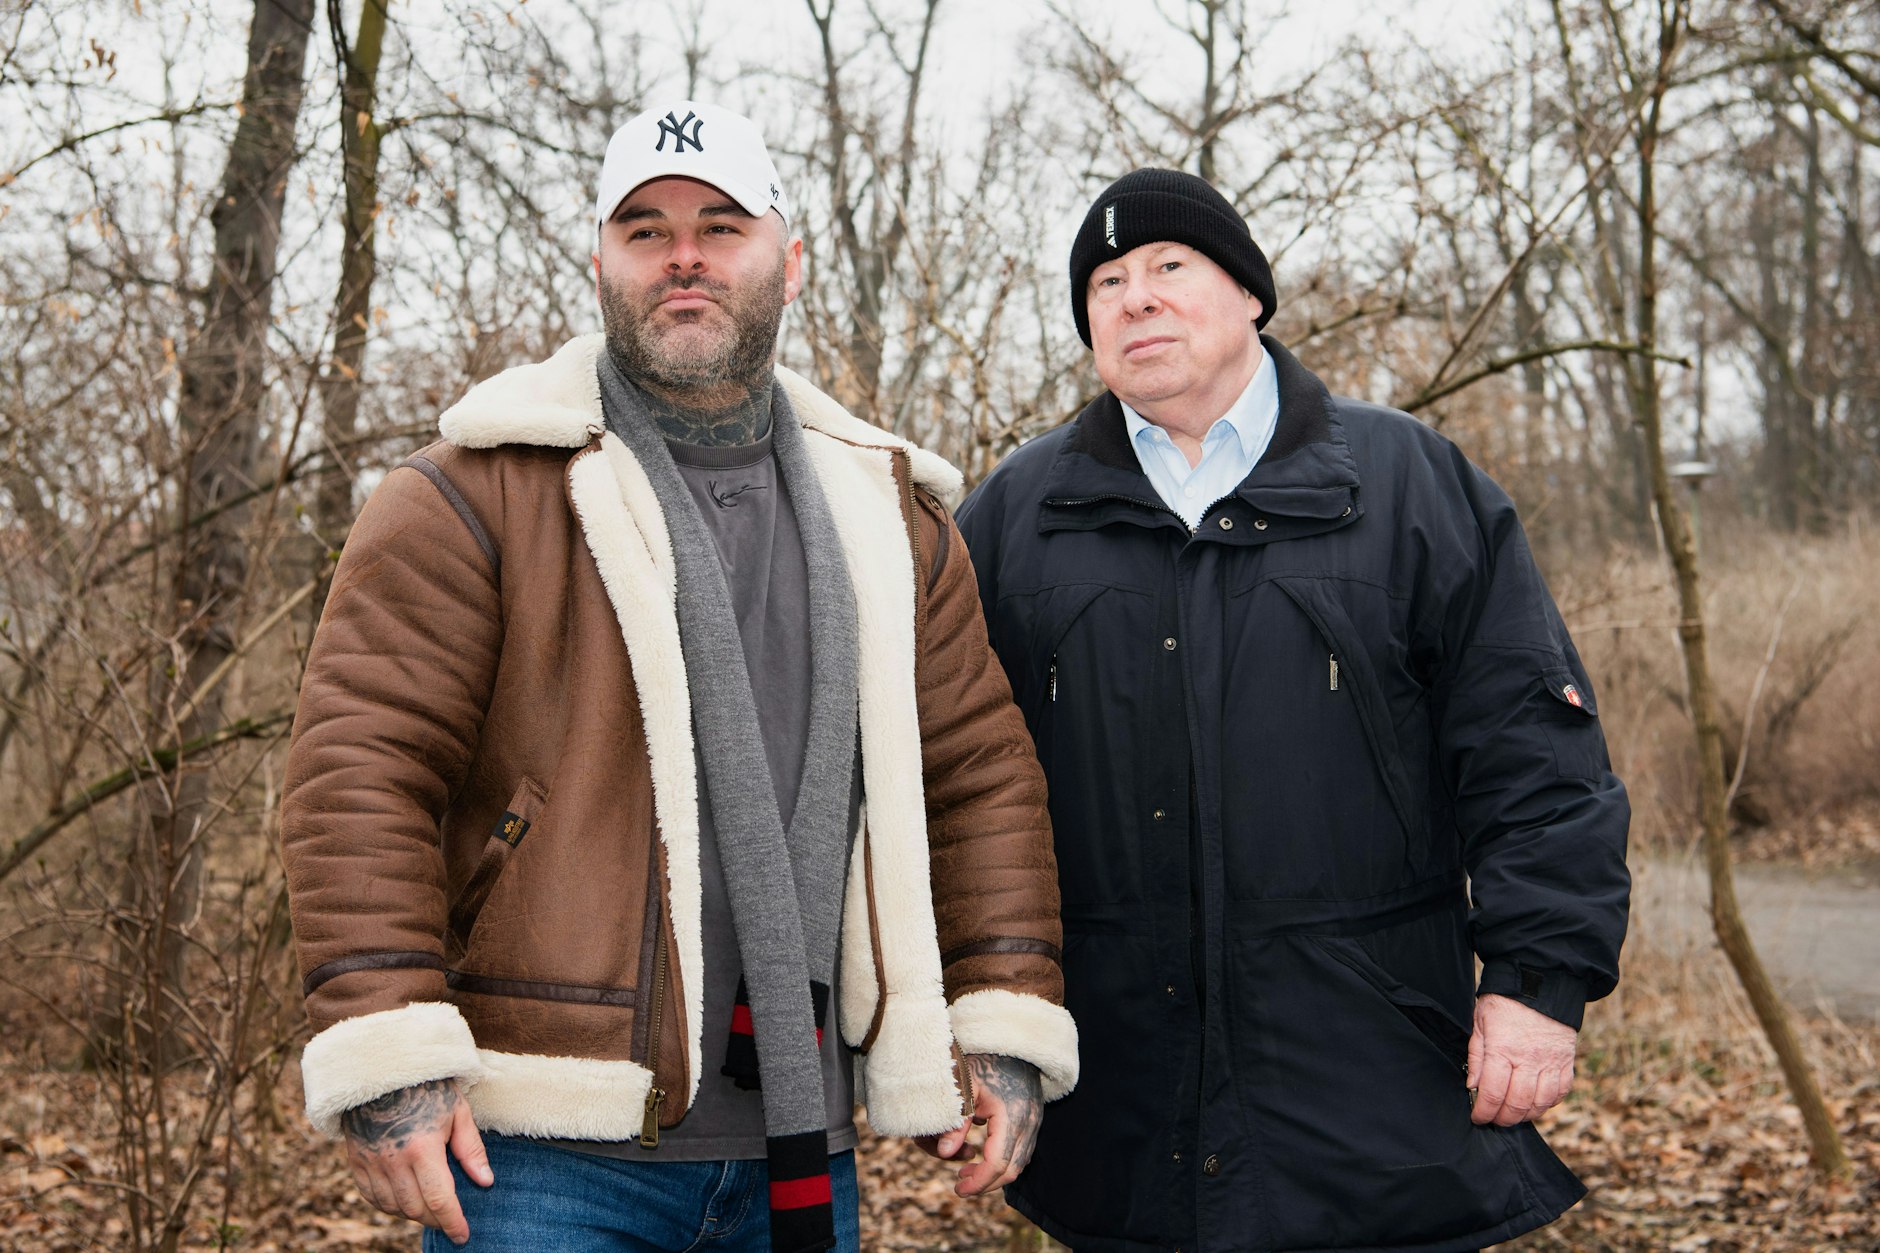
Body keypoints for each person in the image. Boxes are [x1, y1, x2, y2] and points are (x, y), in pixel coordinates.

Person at [279, 99, 1078, 1253]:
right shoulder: (472, 489)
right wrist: (388, 1048)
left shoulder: (887, 513)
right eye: (644, 229)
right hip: (541, 1147)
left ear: (788, 261)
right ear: (598, 261)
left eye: (720, 223)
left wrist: (999, 1015)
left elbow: (980, 781)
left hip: (801, 1142)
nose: (684, 255)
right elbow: (359, 767)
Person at [954, 168, 1630, 1252]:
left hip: (1371, 1092)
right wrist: (986, 1023)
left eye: (1169, 267)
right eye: (1105, 282)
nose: (1134, 298)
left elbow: (1532, 752)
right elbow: (957, 789)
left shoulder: (1409, 485)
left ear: (1249, 295)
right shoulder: (1013, 518)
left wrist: (1536, 981)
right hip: (1122, 1115)